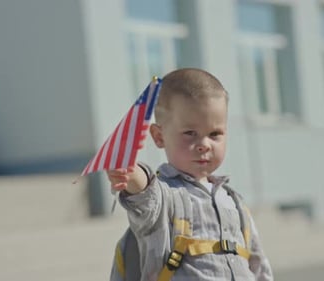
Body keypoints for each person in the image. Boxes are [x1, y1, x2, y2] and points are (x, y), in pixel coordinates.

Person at [107, 68, 273, 280]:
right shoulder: (165, 197)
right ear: (159, 137)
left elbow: (258, 265)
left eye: (215, 134)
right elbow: (145, 194)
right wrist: (130, 172)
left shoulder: (234, 203)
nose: (204, 144)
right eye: (190, 133)